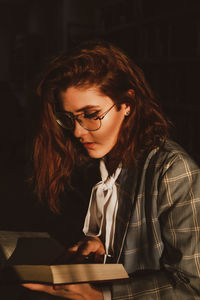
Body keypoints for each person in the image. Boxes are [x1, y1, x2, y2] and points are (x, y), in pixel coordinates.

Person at [22, 40, 200, 299]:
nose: (78, 131)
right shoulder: (106, 159)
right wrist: (101, 245)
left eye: (92, 114)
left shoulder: (174, 172)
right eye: (69, 118)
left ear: (127, 103)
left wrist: (101, 297)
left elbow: (192, 285)